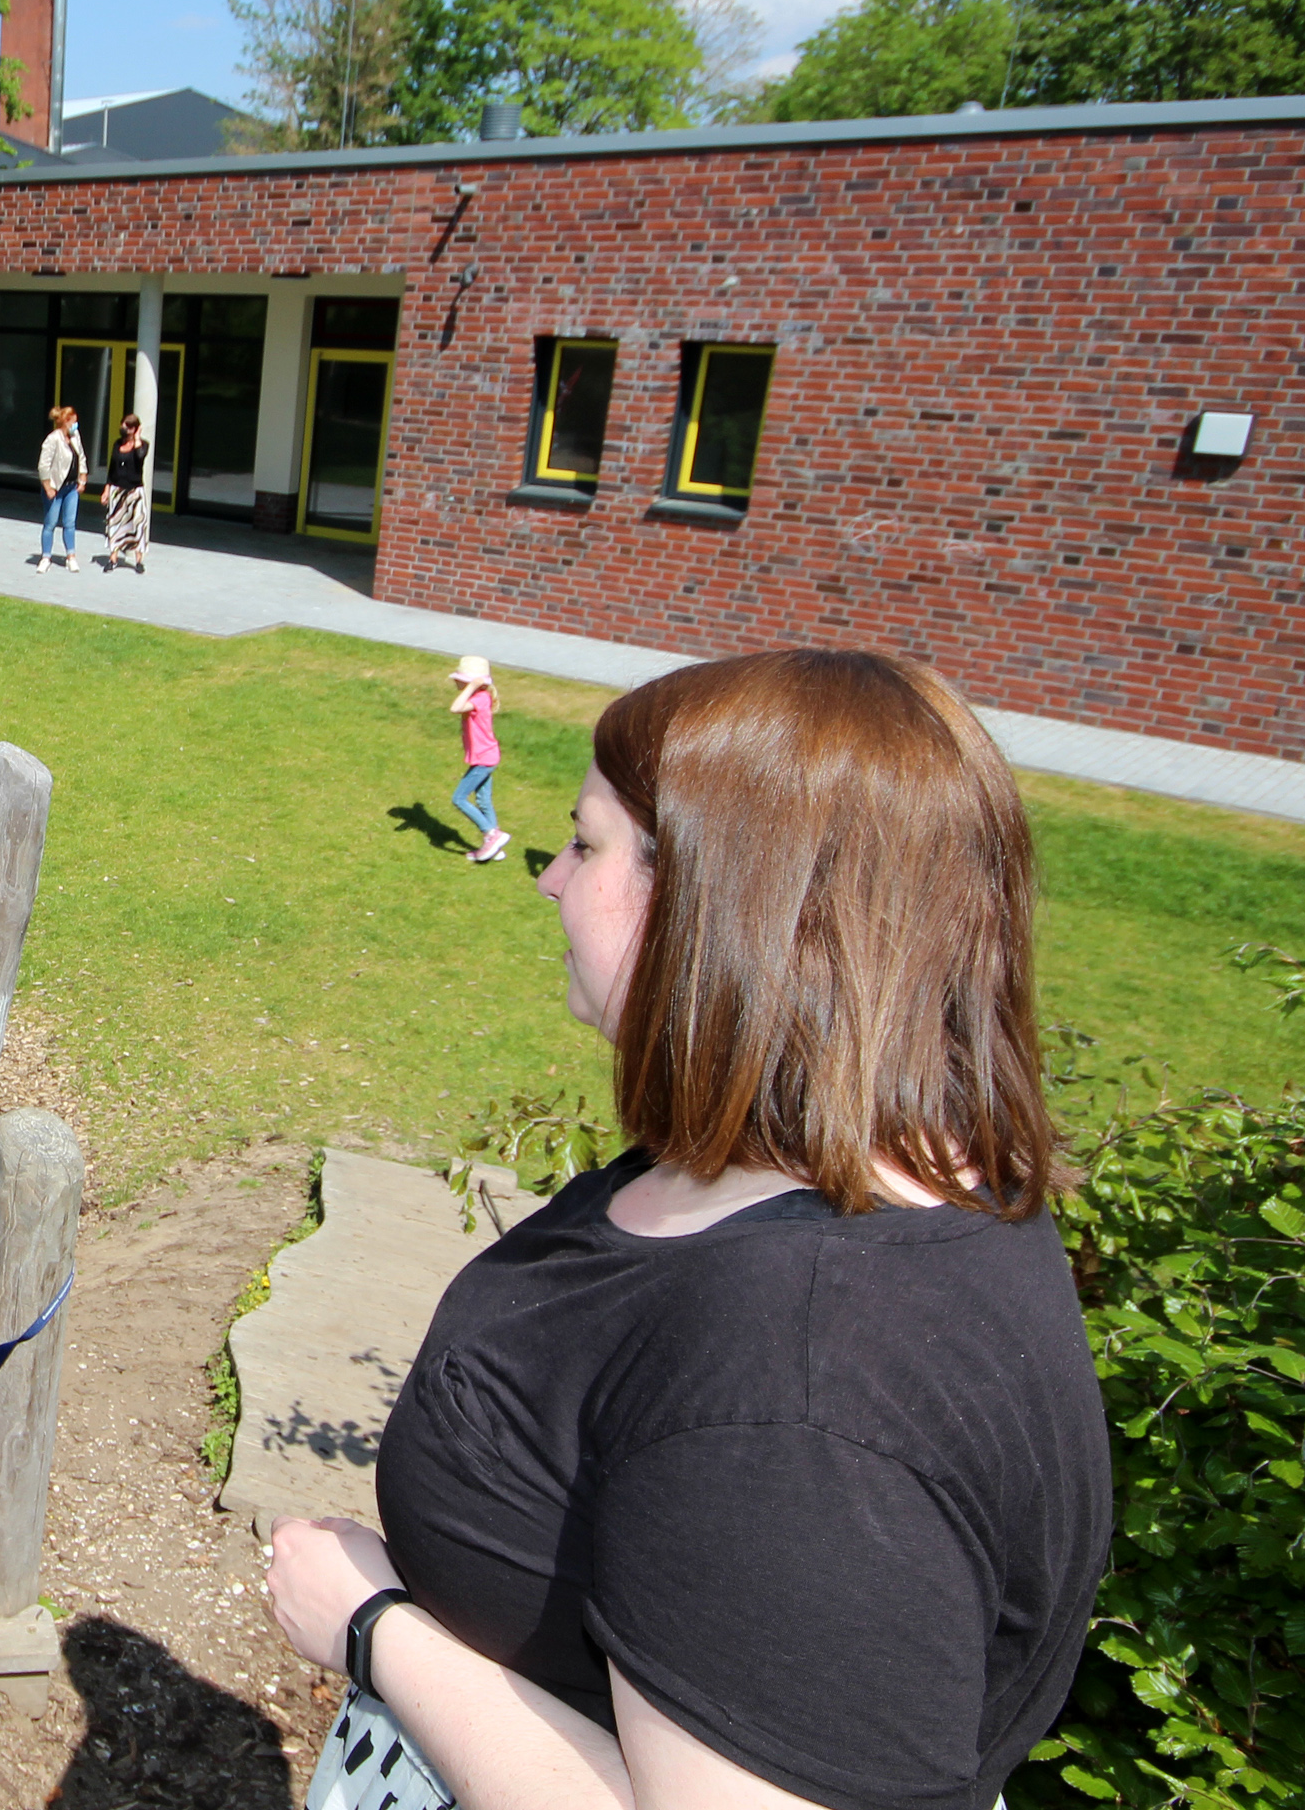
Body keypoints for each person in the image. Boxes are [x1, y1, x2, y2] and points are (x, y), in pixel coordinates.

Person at [269, 649, 1112, 1810]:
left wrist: (371, 1626)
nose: (550, 881)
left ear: (719, 903)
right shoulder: (849, 1172)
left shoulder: (803, 1397)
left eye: (585, 845)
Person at [447, 655, 506, 863]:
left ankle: (491, 834)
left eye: (459, 679)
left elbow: (455, 708)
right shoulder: (480, 697)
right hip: (486, 757)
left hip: (484, 760)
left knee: (459, 799)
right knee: (483, 800)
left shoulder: (479, 698)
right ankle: (494, 848)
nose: (455, 682)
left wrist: (471, 687)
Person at [36, 404, 88, 574]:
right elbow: (43, 465)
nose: (75, 425)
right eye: (73, 421)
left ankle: (71, 557)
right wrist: (48, 487)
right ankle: (45, 557)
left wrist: (82, 479)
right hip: (56, 488)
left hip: (71, 487)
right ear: (66, 421)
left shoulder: (75, 436)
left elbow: (81, 457)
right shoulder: (53, 439)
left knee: (70, 523)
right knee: (50, 523)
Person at [102, 412, 151, 573]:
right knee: (115, 525)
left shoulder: (143, 445)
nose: (124, 428)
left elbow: (140, 456)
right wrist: (107, 489)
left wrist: (136, 438)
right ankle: (113, 559)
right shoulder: (117, 444)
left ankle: (139, 561)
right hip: (117, 491)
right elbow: (112, 469)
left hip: (135, 492)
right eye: (123, 424)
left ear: (135, 429)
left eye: (128, 426)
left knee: (138, 525)